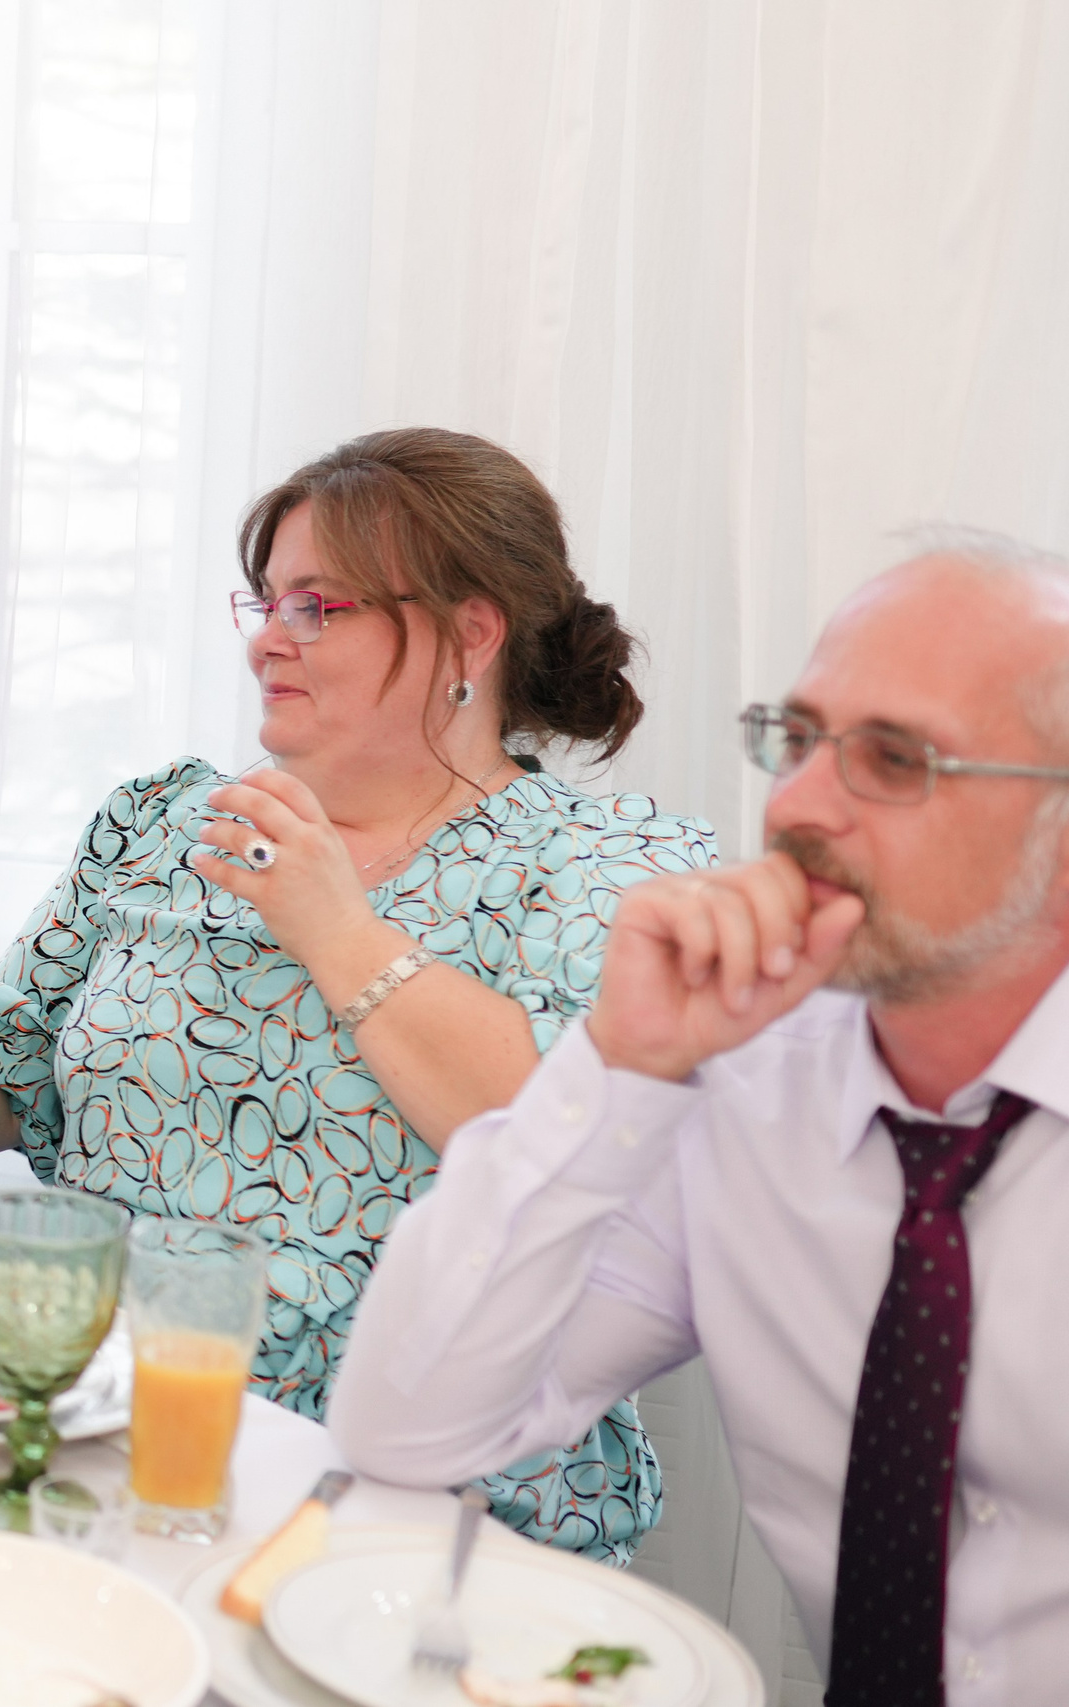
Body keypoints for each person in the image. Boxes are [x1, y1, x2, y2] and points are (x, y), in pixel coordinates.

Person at [0, 427, 718, 1562]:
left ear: (471, 631)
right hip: (100, 1435)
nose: (271, 639)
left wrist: (336, 926)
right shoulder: (164, 819)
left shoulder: (608, 868)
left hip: (423, 1506)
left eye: (319, 607)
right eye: (265, 602)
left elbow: (556, 1142)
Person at [330, 532, 1069, 1699]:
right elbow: (408, 1429)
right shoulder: (746, 1081)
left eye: (893, 757)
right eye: (800, 738)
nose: (799, 804)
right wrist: (615, 1064)